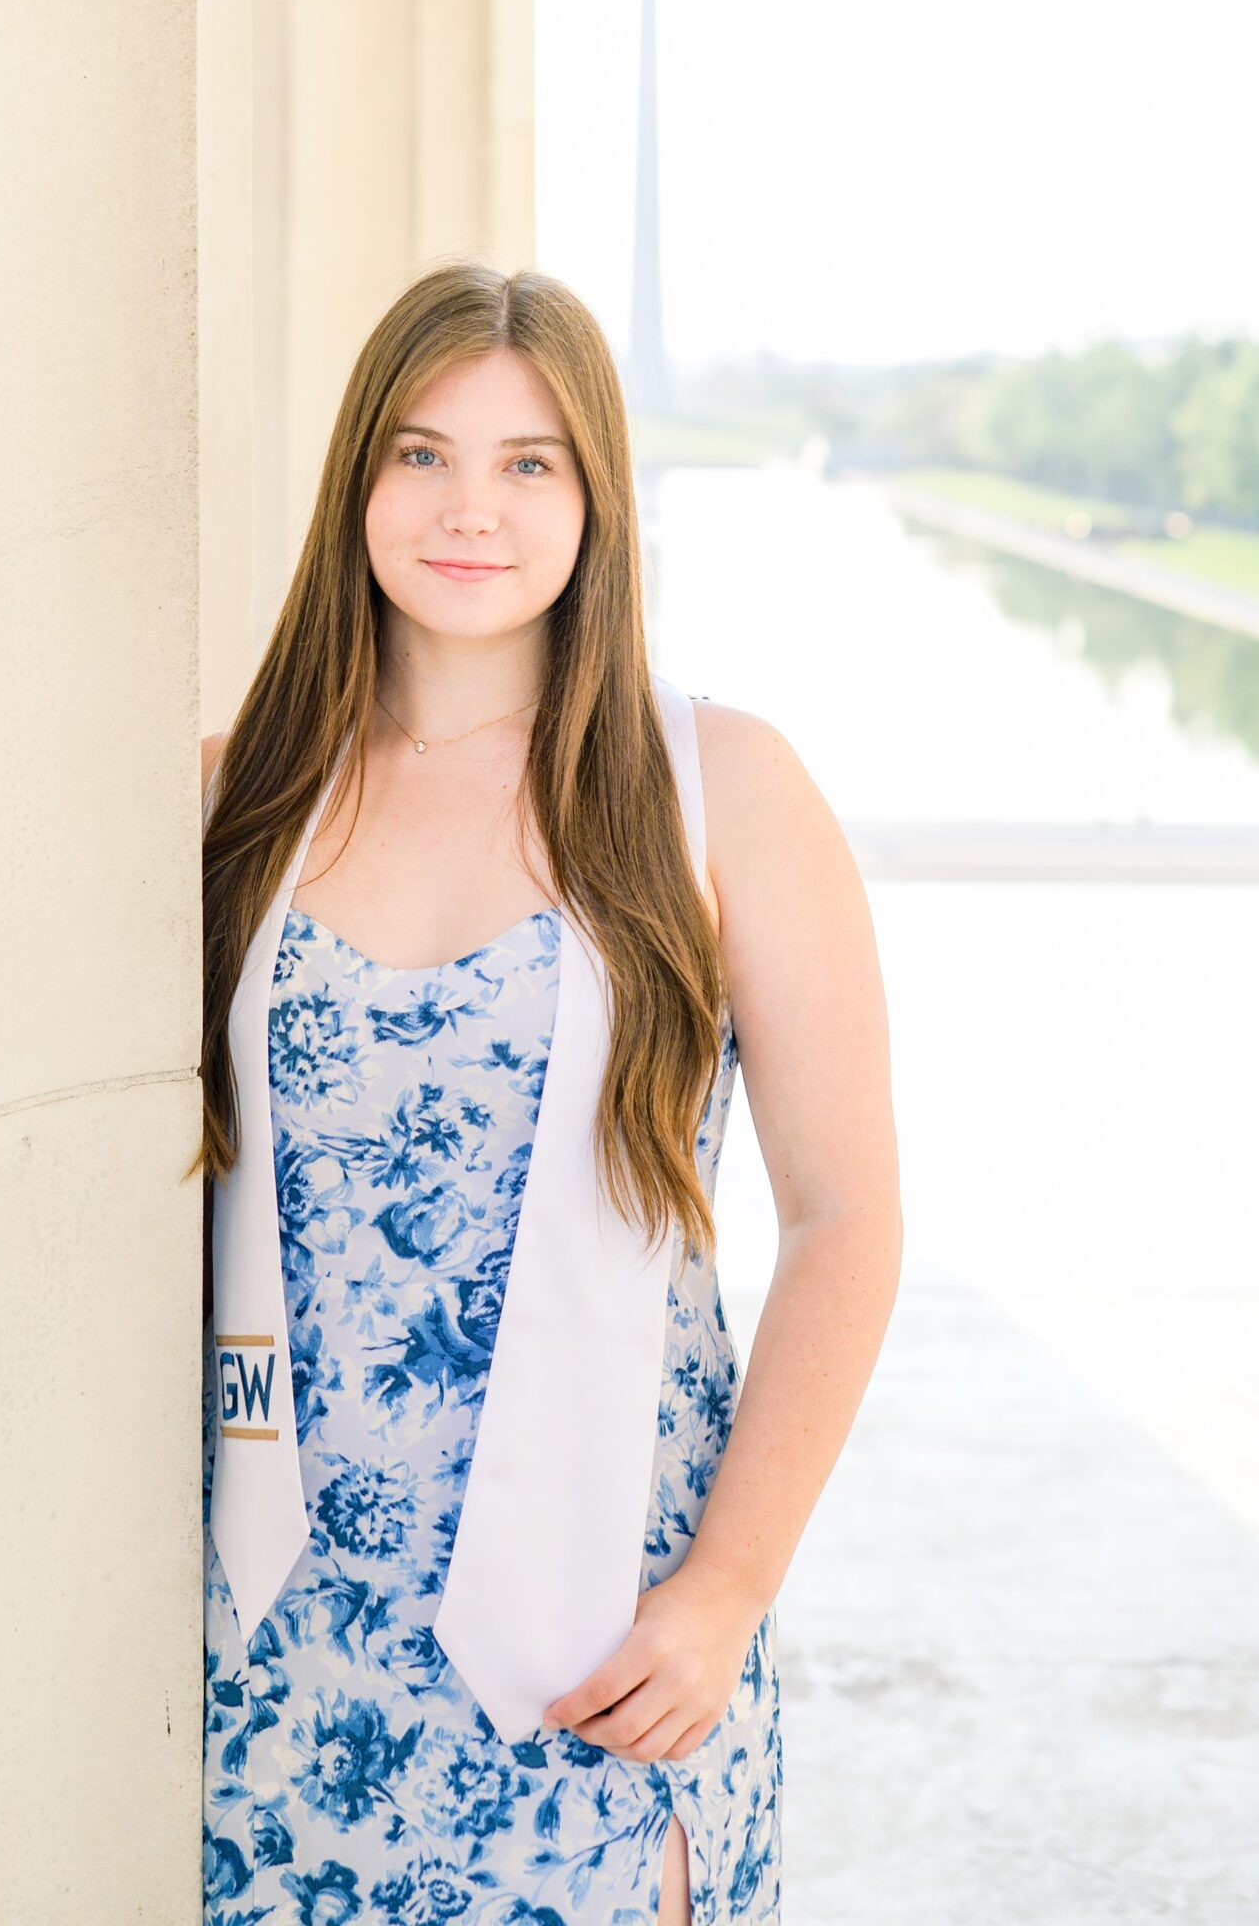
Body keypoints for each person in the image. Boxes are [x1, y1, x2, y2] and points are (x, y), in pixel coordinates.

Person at [196, 259, 902, 1924]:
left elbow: (848, 1215)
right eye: (423, 454)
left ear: (597, 499)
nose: (471, 509)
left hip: (608, 1635)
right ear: (357, 480)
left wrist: (726, 1592)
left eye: (531, 463)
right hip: (274, 1653)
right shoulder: (238, 803)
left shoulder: (716, 788)